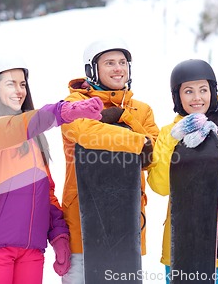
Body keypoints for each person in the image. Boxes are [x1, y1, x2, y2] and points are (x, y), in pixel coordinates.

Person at [0, 54, 104, 284]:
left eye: (22, 84)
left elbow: (46, 192)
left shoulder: (33, 138)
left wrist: (58, 234)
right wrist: (62, 112)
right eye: (10, 83)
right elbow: (13, 127)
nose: (20, 91)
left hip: (31, 250)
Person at [60, 37, 160, 284]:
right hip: (83, 225)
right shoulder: (74, 104)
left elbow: (154, 153)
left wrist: (125, 117)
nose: (118, 68)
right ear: (92, 70)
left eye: (123, 62)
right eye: (109, 63)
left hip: (126, 224)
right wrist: (137, 141)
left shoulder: (141, 110)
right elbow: (84, 132)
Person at [147, 59, 218, 284]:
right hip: (181, 246)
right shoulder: (168, 134)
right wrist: (173, 142)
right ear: (178, 97)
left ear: (212, 92)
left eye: (203, 90)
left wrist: (216, 145)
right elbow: (160, 186)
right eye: (189, 91)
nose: (197, 97)